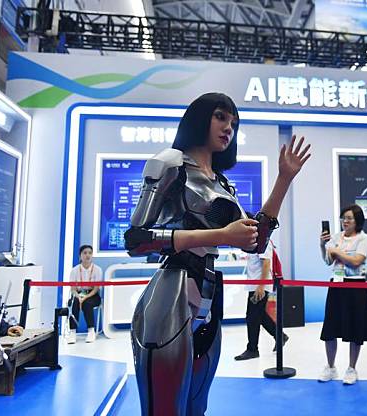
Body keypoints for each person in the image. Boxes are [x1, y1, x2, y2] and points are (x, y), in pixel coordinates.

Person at [124, 92, 310, 416]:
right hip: (171, 296)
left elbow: (255, 240)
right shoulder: (169, 164)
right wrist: (221, 235)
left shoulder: (223, 183)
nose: (229, 128)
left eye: (234, 123)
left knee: (197, 407)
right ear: (200, 118)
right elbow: (136, 240)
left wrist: (284, 179)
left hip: (209, 299)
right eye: (221, 117)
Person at [318, 204, 367, 385]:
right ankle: (330, 367)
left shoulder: (363, 238)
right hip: (336, 285)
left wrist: (337, 251)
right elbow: (328, 260)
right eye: (344, 218)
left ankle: (352, 368)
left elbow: (357, 261)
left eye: (349, 218)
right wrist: (323, 245)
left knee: (355, 328)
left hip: (356, 287)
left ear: (357, 220)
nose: (345, 221)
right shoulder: (336, 237)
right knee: (330, 328)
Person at [234, 240, 288, 360]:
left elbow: (266, 263)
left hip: (259, 286)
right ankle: (280, 336)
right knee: (259, 315)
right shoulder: (256, 242)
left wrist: (261, 286)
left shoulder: (264, 242)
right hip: (255, 284)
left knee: (252, 317)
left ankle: (252, 349)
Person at [67, 244, 102, 344]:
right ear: (80, 256)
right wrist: (78, 297)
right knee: (73, 303)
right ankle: (72, 332)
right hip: (78, 294)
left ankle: (91, 330)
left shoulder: (97, 269)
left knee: (87, 303)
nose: (87, 255)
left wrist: (85, 297)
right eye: (85, 253)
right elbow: (73, 289)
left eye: (90, 253)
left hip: (92, 295)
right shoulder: (74, 270)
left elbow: (96, 289)